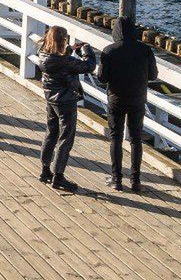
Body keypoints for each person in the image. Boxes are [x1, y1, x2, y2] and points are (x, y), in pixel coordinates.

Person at [97, 17, 157, 192]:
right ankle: (135, 180)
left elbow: (102, 78)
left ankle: (116, 179)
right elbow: (153, 75)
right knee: (136, 139)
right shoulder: (145, 50)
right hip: (137, 99)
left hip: (116, 99)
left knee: (116, 137)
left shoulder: (109, 50)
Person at [37, 27, 96, 191]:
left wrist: (70, 49)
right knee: (65, 138)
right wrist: (87, 50)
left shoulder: (44, 55)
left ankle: (45, 171)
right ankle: (58, 176)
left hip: (51, 99)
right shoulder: (65, 61)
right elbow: (89, 66)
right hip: (66, 102)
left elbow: (59, 58)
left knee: (51, 133)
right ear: (63, 40)